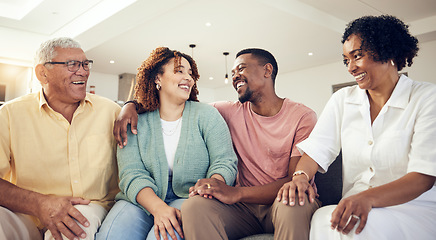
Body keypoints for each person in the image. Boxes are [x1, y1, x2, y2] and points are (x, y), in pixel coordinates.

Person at [114, 48, 320, 239]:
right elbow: (176, 106)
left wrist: (236, 192)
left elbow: (293, 181)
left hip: (280, 200)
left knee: (294, 199)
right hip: (243, 209)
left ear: (267, 70)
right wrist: (130, 106)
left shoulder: (302, 116)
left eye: (241, 68)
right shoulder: (226, 111)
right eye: (232, 73)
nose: (235, 76)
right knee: (194, 206)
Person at [276, 15, 436, 240]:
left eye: (357, 56)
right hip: (354, 205)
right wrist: (301, 177)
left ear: (387, 51)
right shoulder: (342, 100)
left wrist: (368, 198)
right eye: (346, 60)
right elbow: (318, 149)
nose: (350, 67)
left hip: (413, 209)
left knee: (354, 230)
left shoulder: (427, 98)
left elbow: (423, 178)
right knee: (324, 219)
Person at [96, 47, 237, 240]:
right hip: (142, 198)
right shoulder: (135, 121)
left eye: (190, 73)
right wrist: (158, 208)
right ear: (157, 79)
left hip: (191, 198)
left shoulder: (207, 116)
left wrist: (213, 185)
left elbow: (224, 161)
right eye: (179, 71)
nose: (188, 77)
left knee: (163, 236)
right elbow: (131, 173)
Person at [0, 37, 120, 240]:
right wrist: (40, 204)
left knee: (72, 226)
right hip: (26, 213)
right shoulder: (9, 114)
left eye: (85, 64)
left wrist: (134, 105)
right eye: (72, 64)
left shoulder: (112, 112)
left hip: (89, 208)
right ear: (42, 73)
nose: (82, 71)